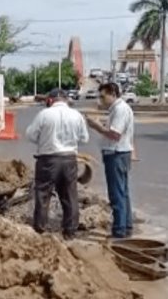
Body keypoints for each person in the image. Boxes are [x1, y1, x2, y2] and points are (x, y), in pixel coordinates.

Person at [25, 88, 89, 240]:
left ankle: (40, 230)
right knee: (70, 195)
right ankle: (70, 231)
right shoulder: (76, 115)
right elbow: (84, 138)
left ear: (50, 100)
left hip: (48, 160)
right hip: (69, 160)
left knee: (43, 195)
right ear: (66, 100)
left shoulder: (44, 115)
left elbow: (32, 135)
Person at [85, 82, 136, 239]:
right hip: (120, 153)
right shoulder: (117, 109)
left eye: (103, 96)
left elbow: (115, 135)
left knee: (117, 194)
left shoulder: (120, 110)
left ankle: (119, 229)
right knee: (123, 192)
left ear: (113, 93)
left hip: (116, 153)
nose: (101, 100)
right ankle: (125, 225)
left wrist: (96, 126)